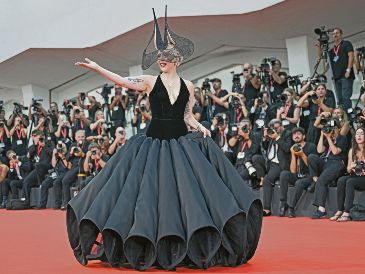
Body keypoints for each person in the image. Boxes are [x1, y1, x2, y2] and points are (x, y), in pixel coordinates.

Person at [67, 7, 262, 271]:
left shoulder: (189, 86)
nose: (162, 59)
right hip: (151, 146)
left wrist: (200, 127)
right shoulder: (148, 81)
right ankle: (147, 246)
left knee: (184, 200)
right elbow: (123, 81)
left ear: (177, 60)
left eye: (167, 56)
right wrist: (98, 67)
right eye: (160, 56)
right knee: (148, 200)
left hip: (182, 147)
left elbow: (187, 116)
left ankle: (187, 247)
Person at [308, 122, 347, 219]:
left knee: (322, 181)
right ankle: (315, 178)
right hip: (326, 162)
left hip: (337, 163)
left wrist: (329, 138)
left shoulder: (342, 138)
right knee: (312, 157)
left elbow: (335, 152)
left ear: (339, 128)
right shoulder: (328, 138)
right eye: (330, 128)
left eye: (334, 128)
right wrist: (322, 135)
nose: (332, 130)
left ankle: (321, 209)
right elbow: (319, 150)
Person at [256, 119, 293, 216]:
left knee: (267, 180)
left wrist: (277, 138)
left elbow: (287, 148)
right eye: (273, 128)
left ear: (281, 126)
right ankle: (262, 177)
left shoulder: (288, 134)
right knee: (256, 158)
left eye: (277, 128)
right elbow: (264, 147)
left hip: (279, 163)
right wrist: (265, 138)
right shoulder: (271, 134)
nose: (275, 130)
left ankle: (267, 209)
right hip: (269, 162)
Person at [278, 127, 316, 217]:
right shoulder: (293, 148)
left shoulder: (311, 146)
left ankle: (291, 207)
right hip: (297, 175)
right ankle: (283, 203)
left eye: (298, 134)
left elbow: (313, 166)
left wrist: (302, 154)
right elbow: (293, 171)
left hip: (309, 176)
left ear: (304, 136)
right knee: (284, 174)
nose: (296, 136)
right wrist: (293, 155)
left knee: (299, 183)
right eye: (294, 134)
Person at [331, 127, 365, 222]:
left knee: (350, 182)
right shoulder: (352, 151)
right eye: (357, 133)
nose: (359, 135)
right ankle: (340, 210)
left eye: (361, 133)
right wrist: (351, 167)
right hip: (355, 176)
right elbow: (348, 170)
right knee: (341, 180)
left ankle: (347, 212)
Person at [328, 27, 355, 110]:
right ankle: (343, 119)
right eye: (333, 34)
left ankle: (348, 119)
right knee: (339, 100)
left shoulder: (346, 43)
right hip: (336, 77)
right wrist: (318, 46)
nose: (335, 35)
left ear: (341, 34)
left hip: (346, 75)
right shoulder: (332, 50)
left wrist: (348, 70)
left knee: (345, 98)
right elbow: (325, 61)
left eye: (337, 33)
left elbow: (351, 56)